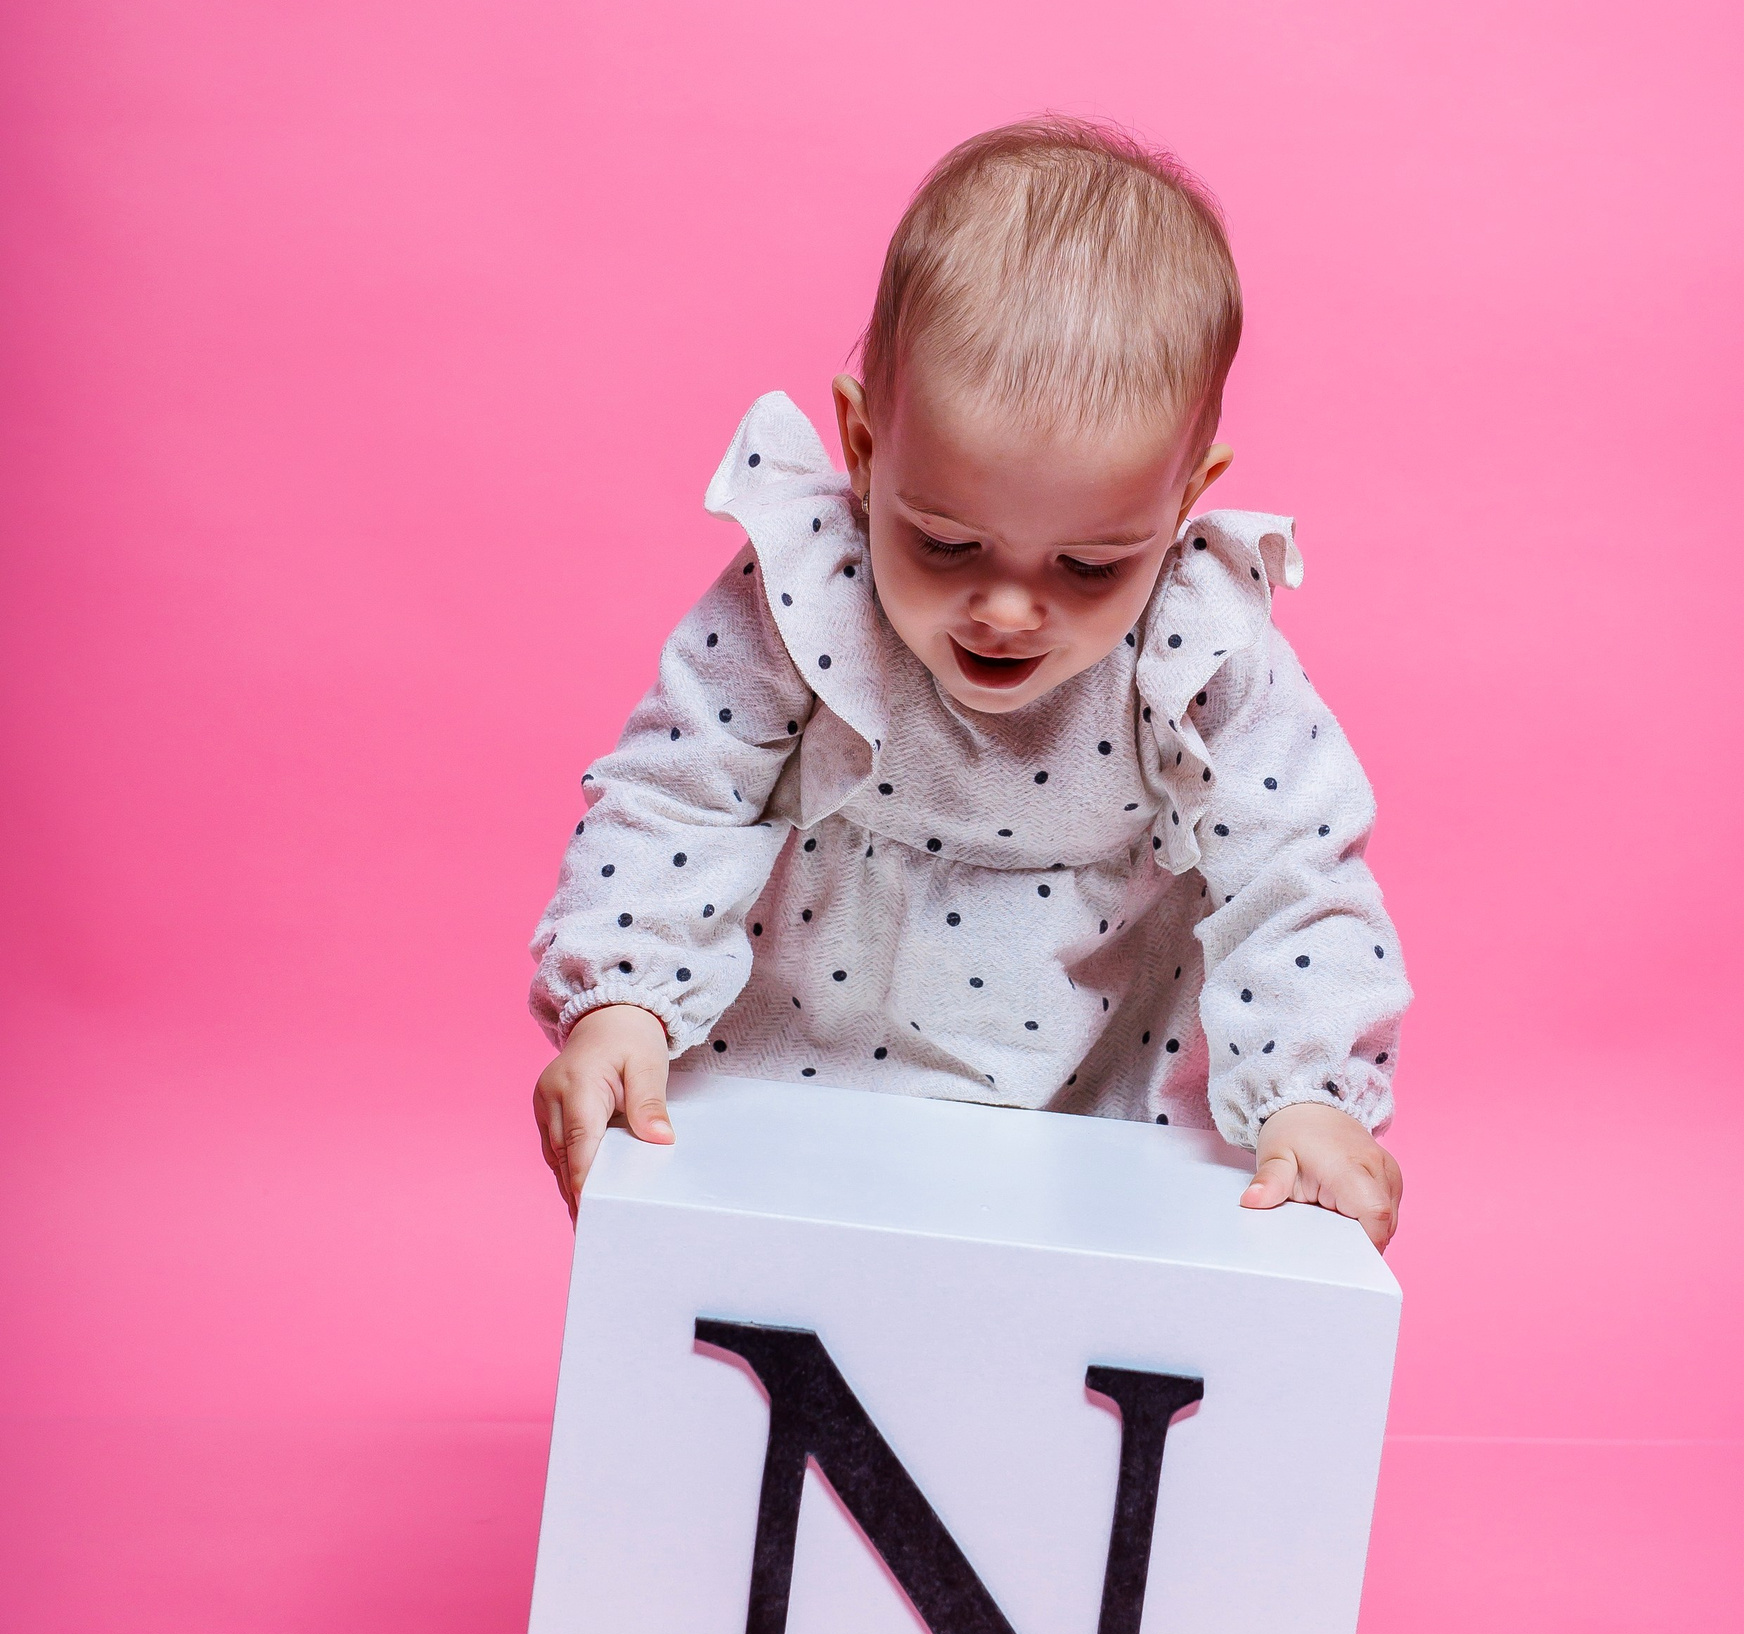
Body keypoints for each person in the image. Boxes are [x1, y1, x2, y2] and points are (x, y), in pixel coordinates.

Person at [531, 118, 1410, 1246]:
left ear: (1186, 498)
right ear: (863, 448)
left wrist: (1309, 1093)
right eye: (946, 543)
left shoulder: (1200, 656)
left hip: (1089, 1117)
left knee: (1049, 1324)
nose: (1006, 609)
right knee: (780, 1299)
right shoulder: (808, 598)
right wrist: (622, 995)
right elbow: (676, 794)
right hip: (798, 1086)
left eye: (1089, 566)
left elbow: (1297, 874)